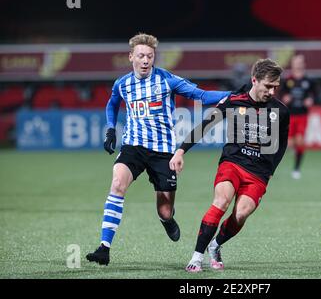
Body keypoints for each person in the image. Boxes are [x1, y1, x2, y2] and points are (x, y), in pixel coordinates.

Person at [86, 33, 230, 266]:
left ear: (154, 58)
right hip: (133, 146)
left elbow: (201, 95)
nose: (145, 60)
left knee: (164, 210)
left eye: (150, 56)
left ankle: (168, 220)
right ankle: (104, 247)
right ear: (131, 56)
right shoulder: (122, 83)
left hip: (163, 152)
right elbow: (112, 103)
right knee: (117, 183)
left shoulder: (167, 80)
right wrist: (111, 129)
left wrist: (235, 95)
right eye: (141, 55)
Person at [169, 58, 290, 272]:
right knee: (221, 201)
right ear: (255, 80)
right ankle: (196, 257)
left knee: (241, 213)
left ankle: (215, 246)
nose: (272, 92)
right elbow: (206, 125)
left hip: (259, 173)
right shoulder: (234, 100)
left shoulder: (281, 111)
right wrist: (181, 150)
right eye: (268, 86)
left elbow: (281, 145)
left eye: (275, 87)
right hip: (232, 162)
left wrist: (270, 171)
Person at [279, 54, 317, 180]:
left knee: (300, 140)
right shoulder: (287, 80)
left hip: (302, 114)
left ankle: (296, 169)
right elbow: (281, 95)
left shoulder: (309, 80)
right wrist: (285, 99)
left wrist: (310, 100)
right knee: (289, 143)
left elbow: (314, 95)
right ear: (293, 64)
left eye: (300, 62)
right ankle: (294, 152)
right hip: (290, 115)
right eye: (296, 62)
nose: (298, 64)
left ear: (303, 64)